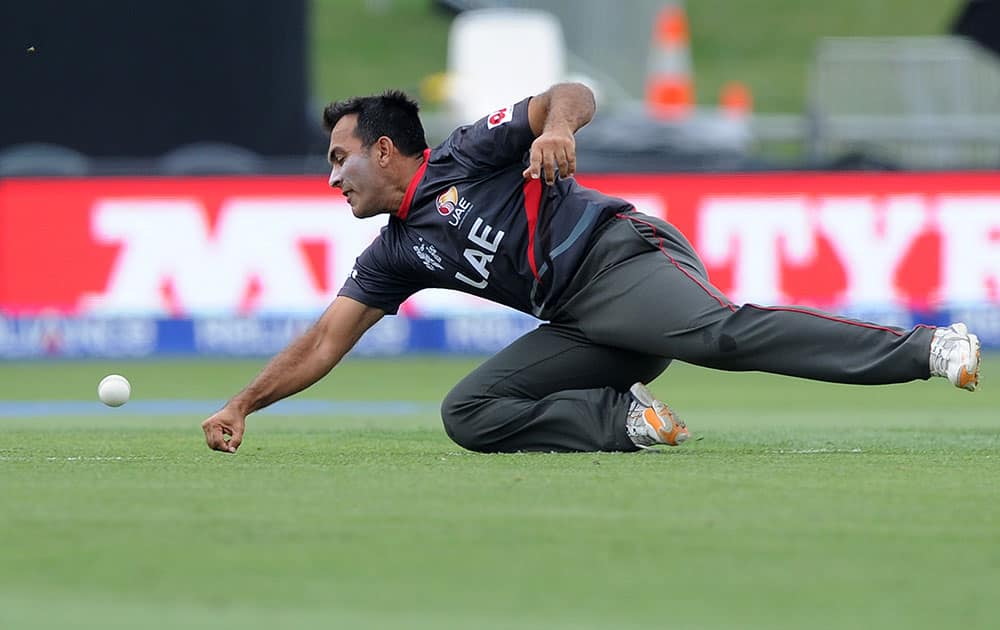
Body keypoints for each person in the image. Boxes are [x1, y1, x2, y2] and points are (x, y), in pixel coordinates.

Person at [201, 83, 981, 454]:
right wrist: (242, 403)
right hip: (582, 322)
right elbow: (322, 344)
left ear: (382, 149)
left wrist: (555, 134)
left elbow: (571, 96)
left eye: (339, 160)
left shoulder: (467, 151)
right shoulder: (393, 255)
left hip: (619, 256)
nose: (332, 179)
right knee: (470, 413)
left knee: (722, 337)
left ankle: (928, 348)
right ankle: (629, 422)